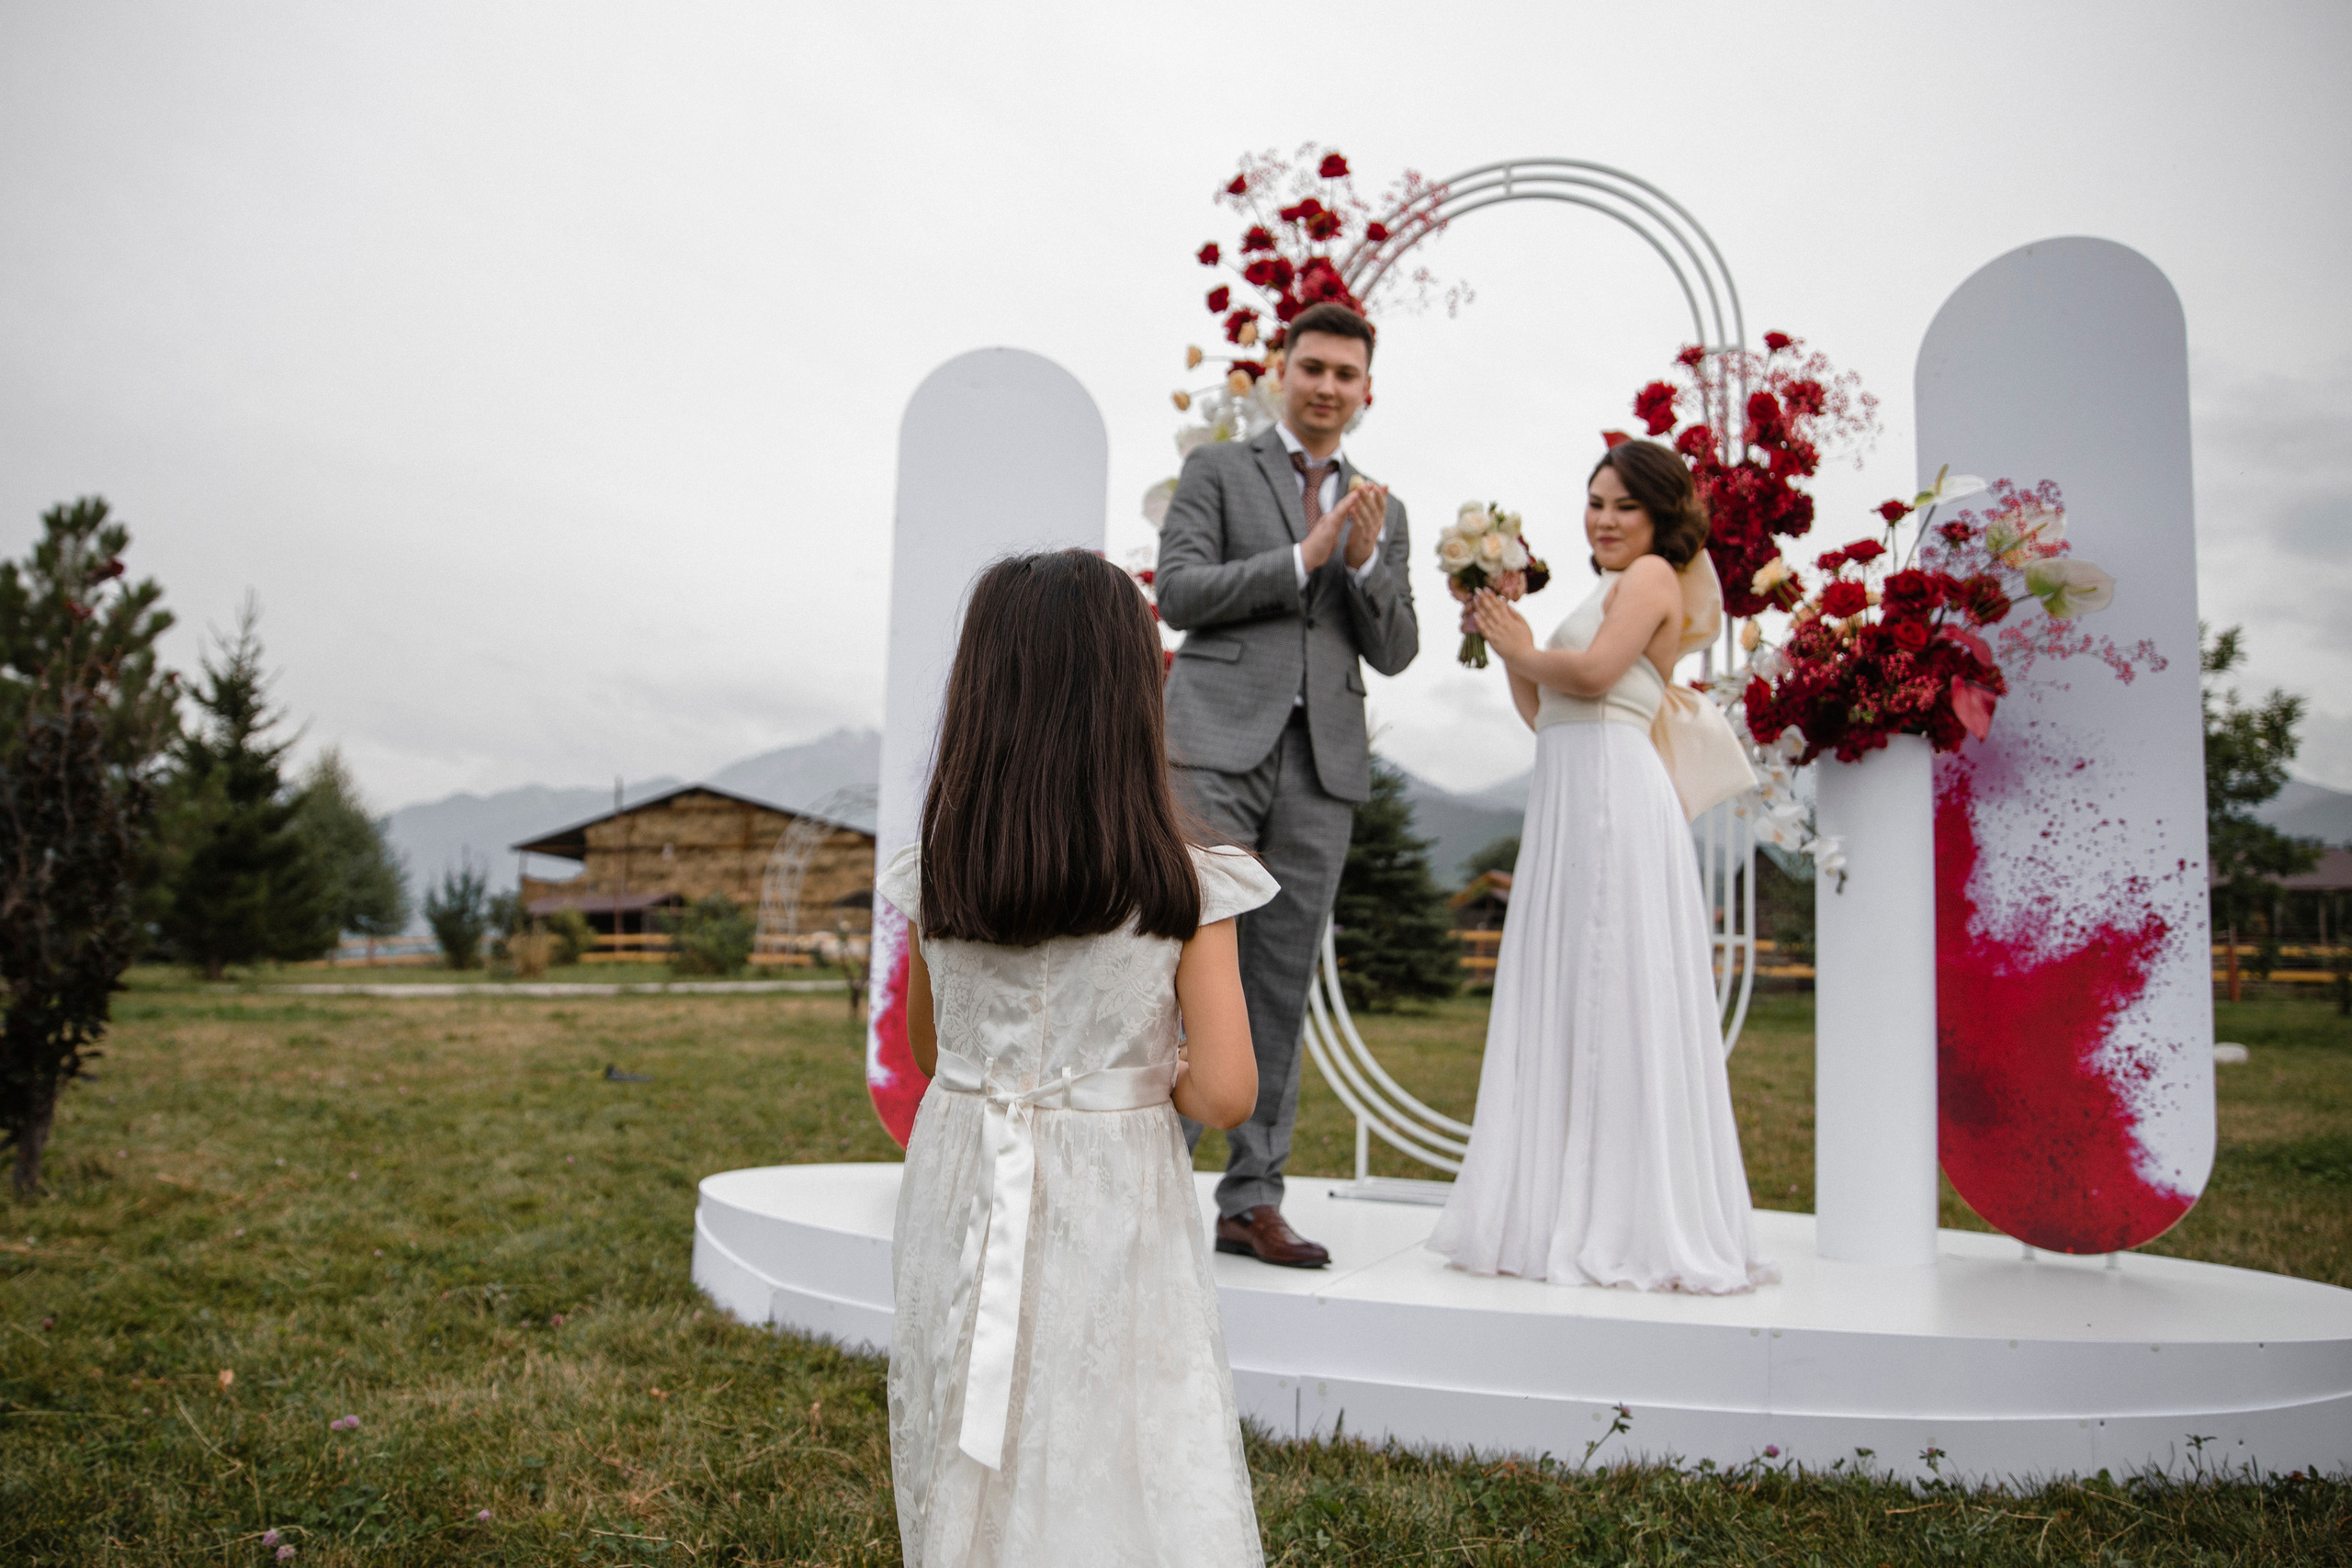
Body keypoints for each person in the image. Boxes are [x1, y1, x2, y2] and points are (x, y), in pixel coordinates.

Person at [879, 550, 1276, 1567]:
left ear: (982, 693)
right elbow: (1227, 1093)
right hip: (1114, 1185)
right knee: (1112, 1418)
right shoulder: (1185, 883)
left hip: (966, 1169)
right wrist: (1139, 1078)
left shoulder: (935, 871)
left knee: (967, 1387)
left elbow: (932, 1049)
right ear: (1132, 694)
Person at [1427, 439, 1775, 1294]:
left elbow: (1592, 671)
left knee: (1616, 981)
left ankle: (1630, 1215)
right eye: (1595, 502)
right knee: (1563, 984)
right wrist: (1505, 638)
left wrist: (1519, 637)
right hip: (1568, 791)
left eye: (1624, 504)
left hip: (1618, 795)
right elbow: (1546, 707)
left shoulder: (1654, 575)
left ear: (1658, 515)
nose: (1605, 519)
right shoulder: (1602, 589)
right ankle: (1551, 1209)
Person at [1153, 300, 1419, 1269]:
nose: (1327, 387)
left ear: (1366, 391)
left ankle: (1250, 1200)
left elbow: (1395, 650)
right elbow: (1177, 592)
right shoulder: (1218, 471)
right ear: (1280, 372)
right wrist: (1301, 557)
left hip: (1324, 766)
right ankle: (1145, 1182)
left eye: (1346, 375)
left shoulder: (1383, 506)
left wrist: (1358, 567)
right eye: (1312, 367)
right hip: (1214, 749)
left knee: (1278, 982)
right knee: (1180, 967)